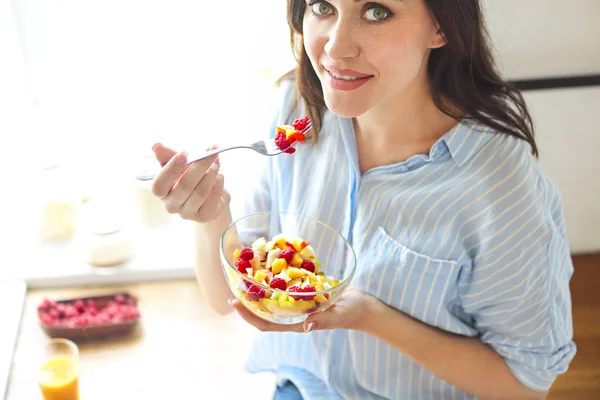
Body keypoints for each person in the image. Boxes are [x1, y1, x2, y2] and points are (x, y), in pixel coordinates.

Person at [149, 0, 576, 399]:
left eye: (376, 11)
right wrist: (212, 215)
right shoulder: (298, 112)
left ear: (441, 25)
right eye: (322, 7)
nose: (335, 47)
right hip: (302, 387)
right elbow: (224, 298)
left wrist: (371, 316)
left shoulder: (497, 184)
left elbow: (525, 382)